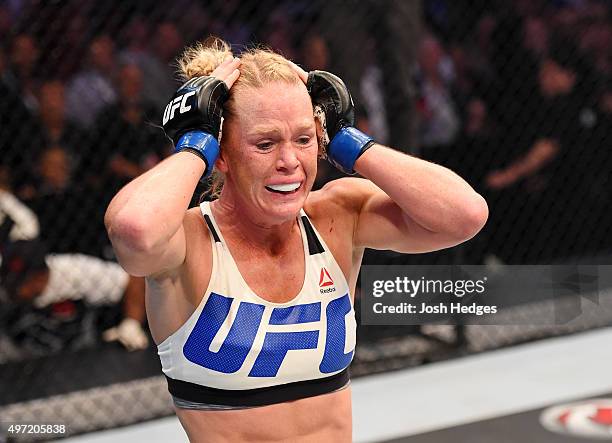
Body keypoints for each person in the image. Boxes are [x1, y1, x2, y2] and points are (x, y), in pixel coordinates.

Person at [105, 38, 488, 442]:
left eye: (304, 139)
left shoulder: (337, 216)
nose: (289, 162)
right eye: (265, 144)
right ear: (222, 154)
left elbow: (464, 216)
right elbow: (134, 232)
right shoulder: (186, 243)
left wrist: (348, 140)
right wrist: (195, 143)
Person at [0, 239, 148, 352]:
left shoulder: (73, 271)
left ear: (40, 277)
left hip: (81, 356)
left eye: (20, 283)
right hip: (21, 363)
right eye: (9, 279)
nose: (13, 288)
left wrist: (131, 323)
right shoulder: (5, 287)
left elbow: (132, 280)